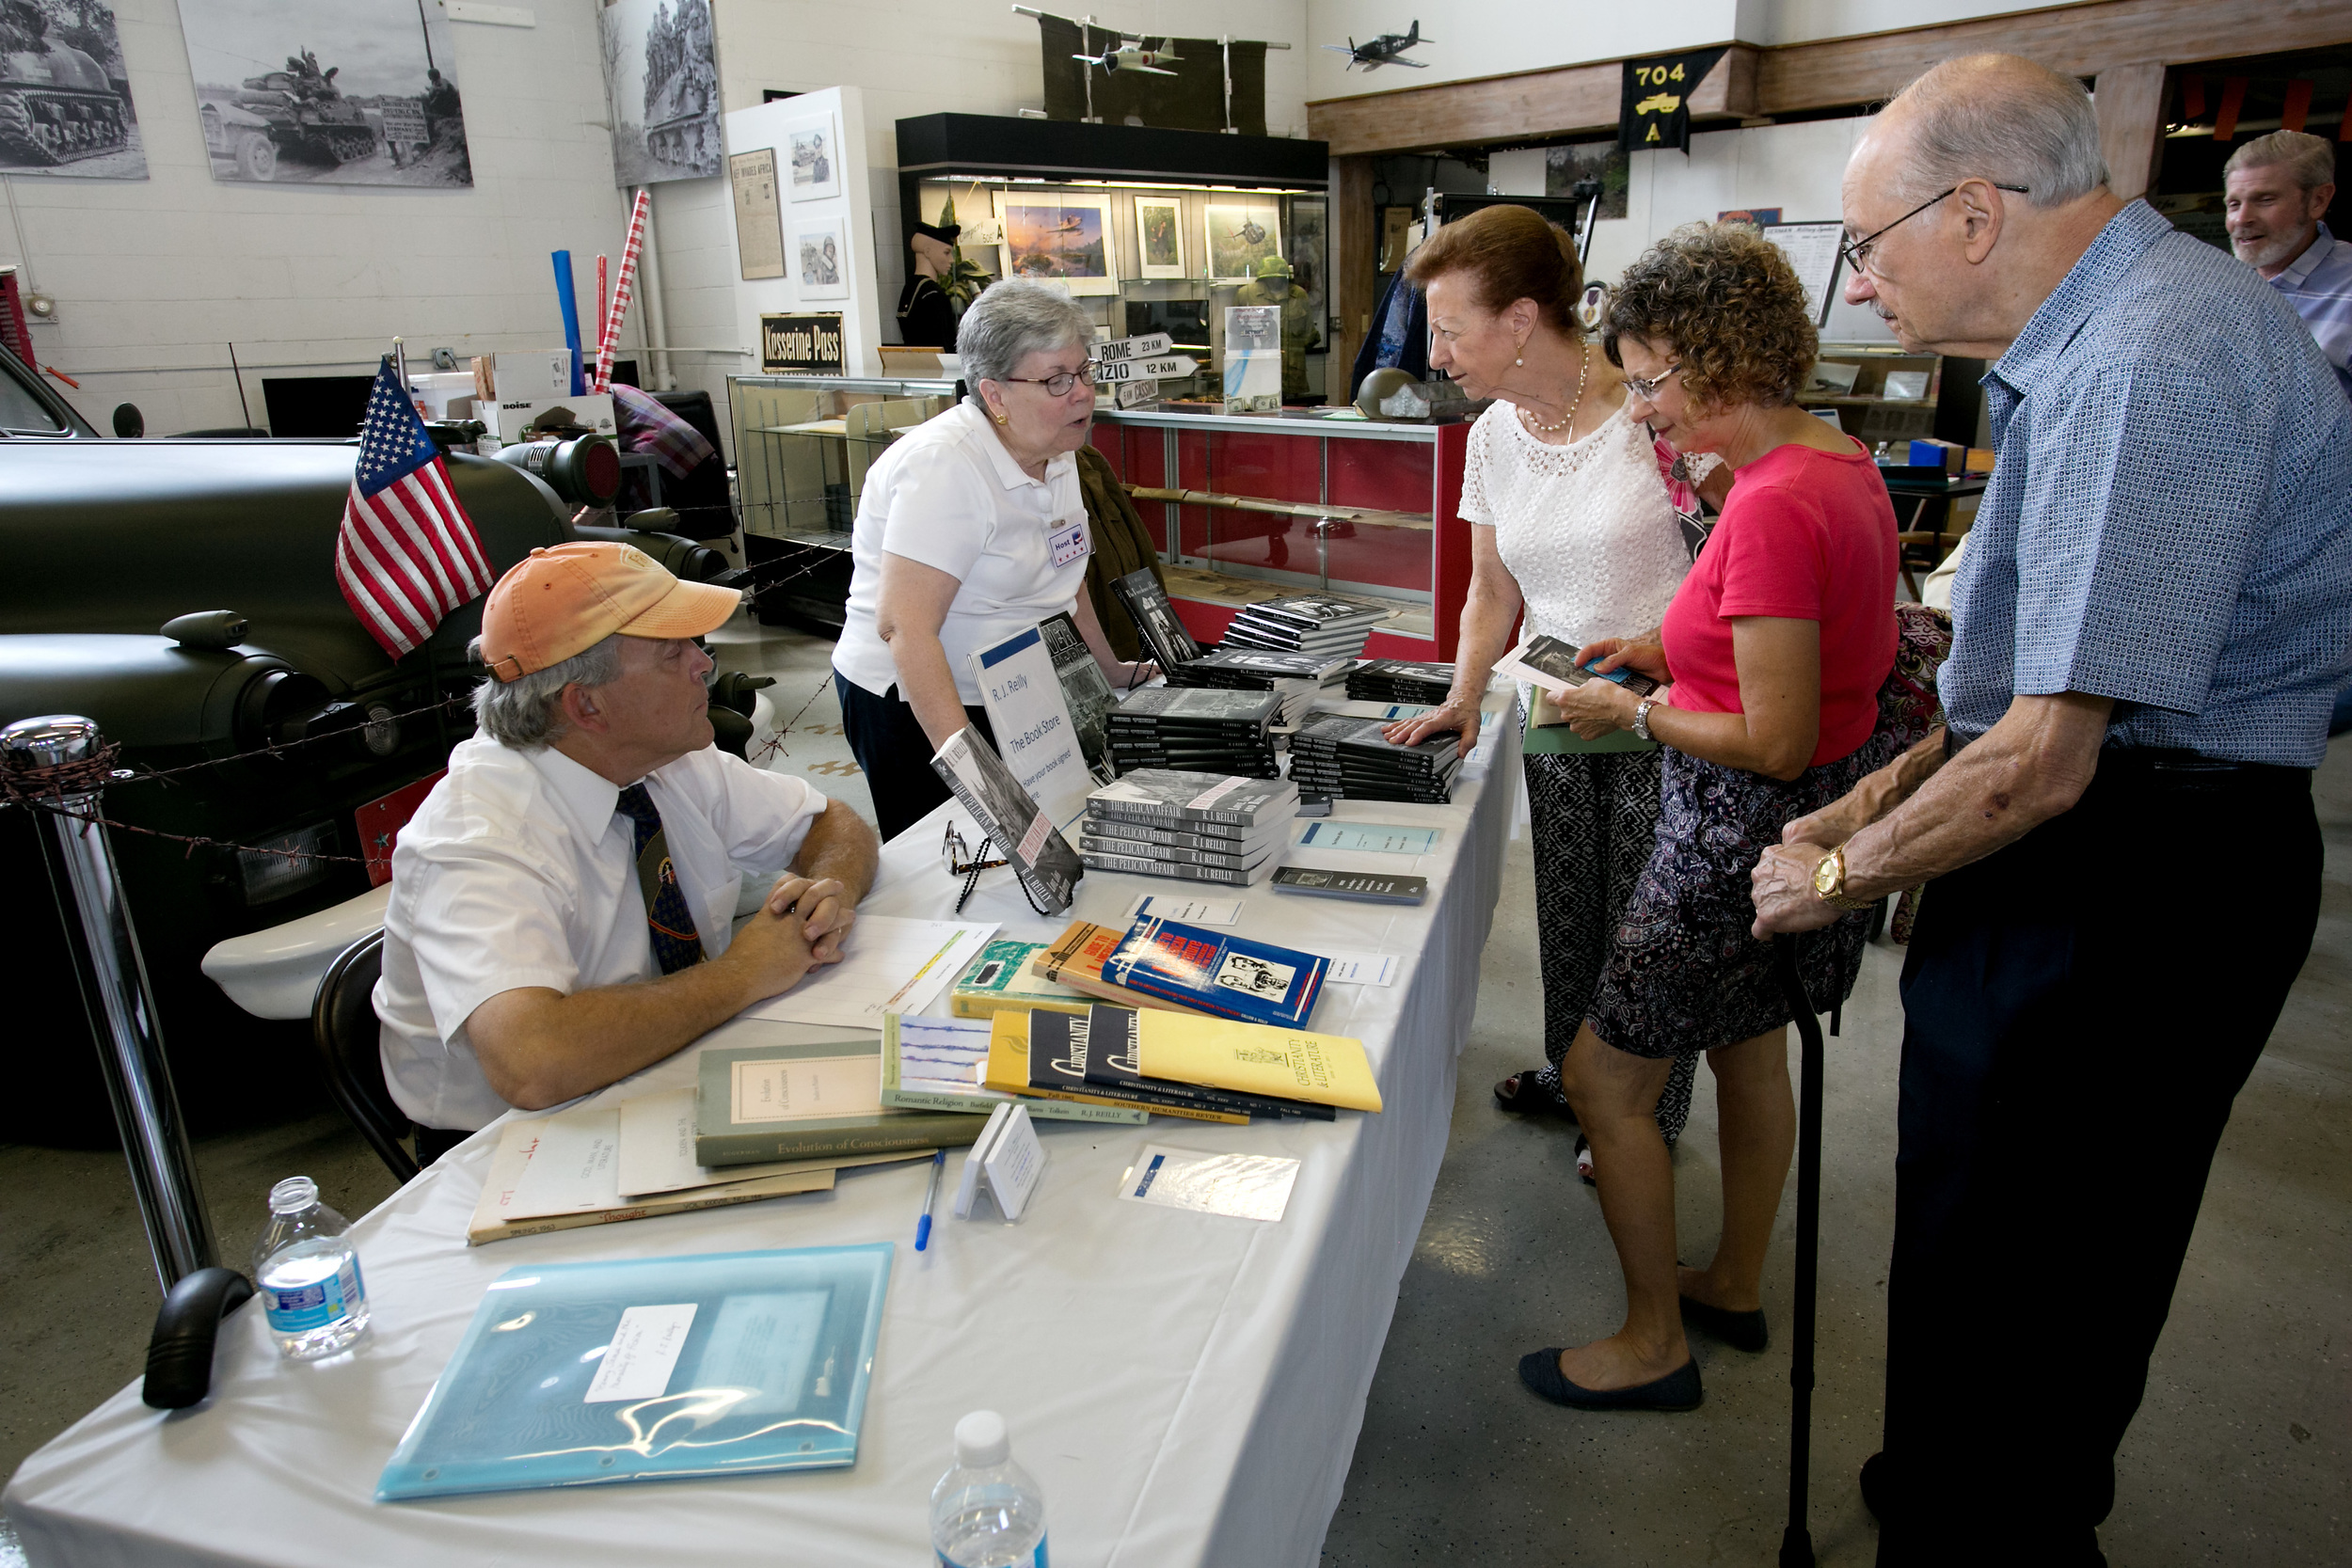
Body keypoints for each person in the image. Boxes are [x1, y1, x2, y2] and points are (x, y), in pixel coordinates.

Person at [1749, 55, 2352, 1565]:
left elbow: (2046, 758)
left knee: (2042, 1264)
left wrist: (1840, 866)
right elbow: (1995, 703)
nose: (1862, 288)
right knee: (1972, 1224)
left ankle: (1992, 1527)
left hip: (2148, 862)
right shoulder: (2094, 339)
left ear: (1969, 211)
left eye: (1864, 247)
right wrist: (1861, 812)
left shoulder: (2151, 359)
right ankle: (1949, 1483)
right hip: (2100, 836)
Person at [1518, 220, 1909, 1415]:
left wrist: (1628, 712)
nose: (1640, 411)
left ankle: (1650, 1339)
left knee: (1603, 1078)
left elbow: (1774, 736)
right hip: (1795, 834)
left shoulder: (1776, 502)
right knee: (1750, 1052)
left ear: (1714, 357)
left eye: (1646, 381)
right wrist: (1661, 647)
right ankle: (1732, 1279)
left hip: (1735, 837)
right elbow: (1779, 643)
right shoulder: (1832, 460)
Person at [1383, 202, 1724, 1148]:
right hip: (1556, 705)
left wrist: (1667, 647)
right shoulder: (1493, 436)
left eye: (1451, 329)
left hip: (1670, 712)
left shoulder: (1654, 416)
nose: (1438, 354)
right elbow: (1489, 589)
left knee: (1646, 923)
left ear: (1521, 318)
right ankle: (1576, 1073)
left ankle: (1640, 1113)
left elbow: (1737, 569)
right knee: (1570, 909)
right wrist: (1460, 697)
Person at [376, 542, 882, 1161]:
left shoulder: (666, 758)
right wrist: (742, 974)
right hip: (513, 1149)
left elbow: (833, 821)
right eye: (673, 652)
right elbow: (532, 1061)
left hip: (672, 1070)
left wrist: (828, 891)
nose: (703, 663)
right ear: (586, 704)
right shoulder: (474, 837)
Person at [834, 279, 1154, 839]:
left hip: (1012, 685)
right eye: (1056, 380)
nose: (1082, 394)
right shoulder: (945, 467)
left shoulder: (1055, 452)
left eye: (1084, 372)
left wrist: (1110, 671)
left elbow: (1065, 577)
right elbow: (904, 627)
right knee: (950, 860)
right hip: (917, 702)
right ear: (996, 395)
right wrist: (971, 768)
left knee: (1038, 845)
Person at [2222, 129, 2349, 401]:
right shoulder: (2219, 288)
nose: (2242, 219)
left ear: (2319, 200)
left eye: (2265, 200)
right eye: (2234, 204)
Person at [898, 222, 962, 349]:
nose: (952, 260)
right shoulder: (934, 295)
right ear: (927, 251)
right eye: (946, 252)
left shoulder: (911, 287)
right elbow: (945, 344)